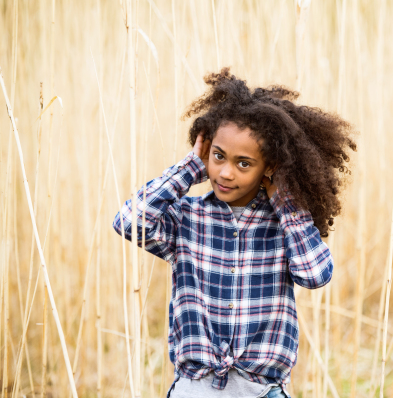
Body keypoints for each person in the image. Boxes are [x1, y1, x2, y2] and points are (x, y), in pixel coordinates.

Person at [112, 67, 356, 397]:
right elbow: (128, 222)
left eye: (244, 163)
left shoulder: (285, 225)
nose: (226, 172)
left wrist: (285, 203)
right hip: (195, 389)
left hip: (262, 390)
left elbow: (315, 275)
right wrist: (189, 169)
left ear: (269, 167)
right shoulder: (188, 218)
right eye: (218, 157)